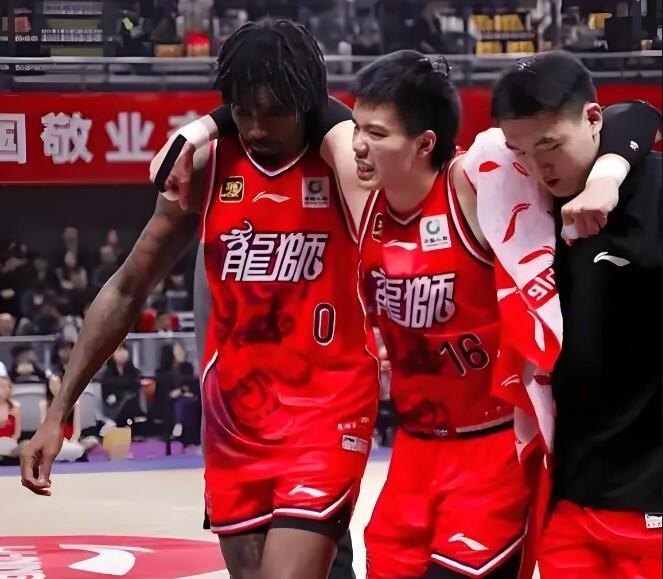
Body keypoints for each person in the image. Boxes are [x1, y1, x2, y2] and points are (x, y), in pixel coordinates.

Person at [21, 18, 375, 579]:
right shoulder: (208, 169)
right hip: (236, 422)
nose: (256, 128)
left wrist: (199, 126)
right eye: (243, 111)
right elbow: (127, 287)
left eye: (273, 113)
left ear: (306, 103)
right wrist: (58, 411)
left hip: (325, 413)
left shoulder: (343, 162)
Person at [489, 51, 662, 579]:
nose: (538, 167)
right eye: (521, 151)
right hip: (570, 502)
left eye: (549, 146)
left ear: (592, 119)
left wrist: (608, 175)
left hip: (651, 502)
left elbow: (638, 112)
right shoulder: (524, 202)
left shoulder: (656, 191)